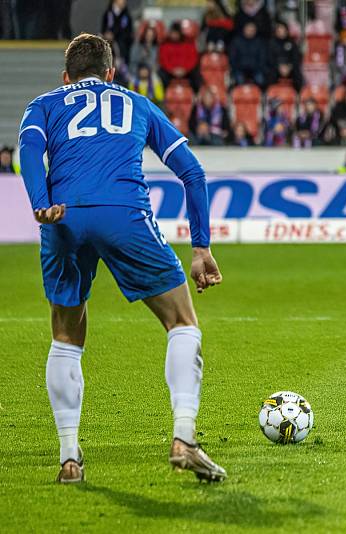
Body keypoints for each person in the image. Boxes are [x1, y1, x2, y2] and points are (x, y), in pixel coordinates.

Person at [17, 34, 226, 483]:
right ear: (111, 73)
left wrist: (40, 204)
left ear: (66, 75)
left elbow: (29, 152)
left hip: (63, 218)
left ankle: (69, 457)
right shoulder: (136, 103)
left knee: (66, 337)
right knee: (182, 322)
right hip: (124, 215)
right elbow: (192, 171)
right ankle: (184, 438)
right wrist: (201, 246)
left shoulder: (43, 104)